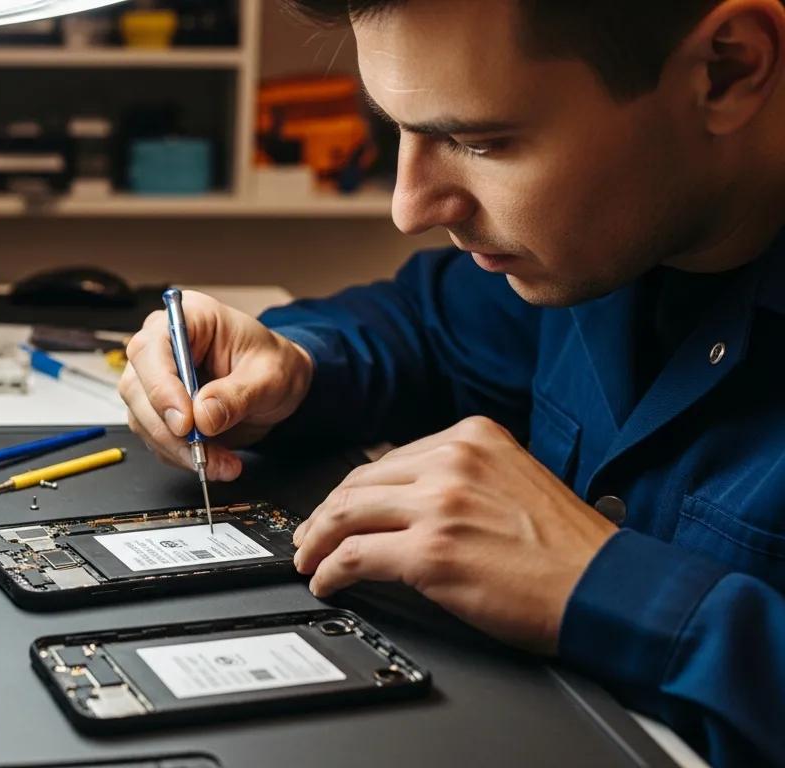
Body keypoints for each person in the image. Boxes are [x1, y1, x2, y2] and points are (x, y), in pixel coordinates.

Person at [119, 1, 785, 765]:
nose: (411, 207)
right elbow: (428, 328)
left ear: (727, 69)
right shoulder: (605, 244)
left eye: (477, 141)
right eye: (400, 128)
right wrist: (292, 367)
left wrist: (608, 588)